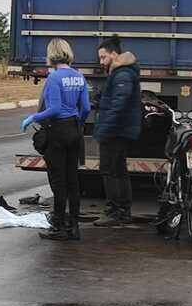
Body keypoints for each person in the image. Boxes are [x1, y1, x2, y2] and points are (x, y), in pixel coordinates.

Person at [21, 39, 90, 241]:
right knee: (73, 180)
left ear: (51, 55)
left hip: (57, 131)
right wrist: (78, 123)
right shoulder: (79, 77)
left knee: (58, 182)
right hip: (74, 130)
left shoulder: (54, 78)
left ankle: (58, 225)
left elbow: (54, 109)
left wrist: (33, 118)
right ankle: (74, 226)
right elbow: (85, 107)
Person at [92, 35, 141, 227]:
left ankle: (115, 211)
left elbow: (118, 106)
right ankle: (122, 210)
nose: (101, 62)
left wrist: (104, 130)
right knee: (119, 170)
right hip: (119, 130)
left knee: (111, 171)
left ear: (114, 54)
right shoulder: (120, 72)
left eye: (104, 57)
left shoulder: (122, 74)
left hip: (116, 131)